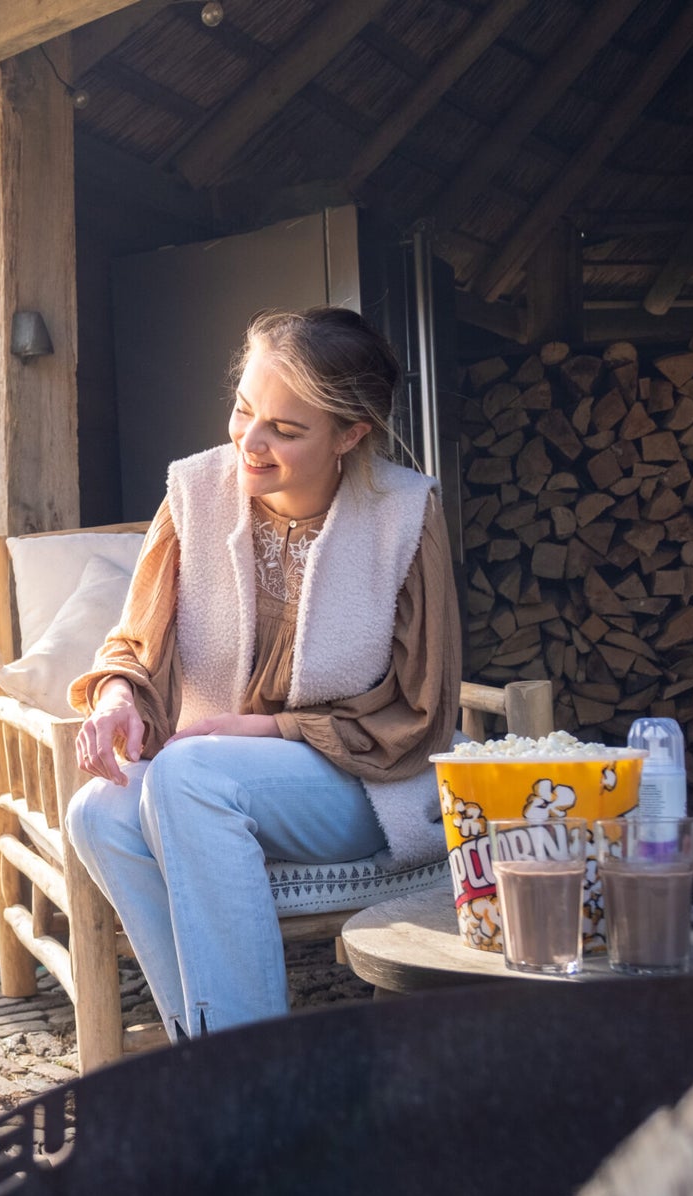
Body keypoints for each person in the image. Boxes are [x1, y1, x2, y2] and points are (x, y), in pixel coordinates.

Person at [67, 306, 460, 1038]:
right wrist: (117, 697)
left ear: (351, 435)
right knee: (97, 811)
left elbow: (422, 707)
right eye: (244, 410)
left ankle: (254, 1067)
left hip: (364, 784)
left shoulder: (404, 515)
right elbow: (134, 644)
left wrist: (267, 726)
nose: (250, 442)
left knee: (190, 777)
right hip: (214, 786)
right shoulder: (194, 495)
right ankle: (215, 1060)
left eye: (285, 429)